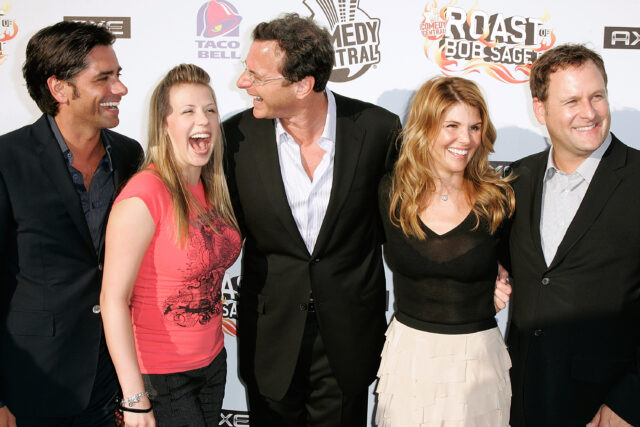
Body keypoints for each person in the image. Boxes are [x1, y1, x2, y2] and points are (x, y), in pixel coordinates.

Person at [222, 13, 402, 426]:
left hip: (349, 339)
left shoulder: (377, 131)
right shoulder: (235, 139)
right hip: (270, 337)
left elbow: (403, 228)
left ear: (303, 85)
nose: (242, 83)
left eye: (256, 75)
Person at [0, 21, 142, 426]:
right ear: (59, 88)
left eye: (118, 75)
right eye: (104, 78)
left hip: (113, 373)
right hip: (34, 380)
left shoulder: (128, 155)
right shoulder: (8, 159)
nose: (120, 88)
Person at [505, 44, 640, 426]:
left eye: (597, 96)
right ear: (540, 109)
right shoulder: (517, 179)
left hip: (606, 408)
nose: (590, 112)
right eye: (572, 101)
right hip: (523, 398)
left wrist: (629, 402)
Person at [100, 64, 241, 426]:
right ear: (165, 123)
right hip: (162, 378)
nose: (204, 120)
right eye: (188, 111)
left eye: (210, 109)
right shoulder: (144, 195)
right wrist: (135, 399)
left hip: (212, 364)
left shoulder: (213, 188)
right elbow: (113, 300)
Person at [375, 76, 515, 426]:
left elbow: (525, 265)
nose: (465, 139)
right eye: (451, 125)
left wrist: (503, 280)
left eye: (474, 127)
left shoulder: (498, 199)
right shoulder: (391, 194)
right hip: (410, 359)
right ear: (425, 126)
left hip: (478, 361)